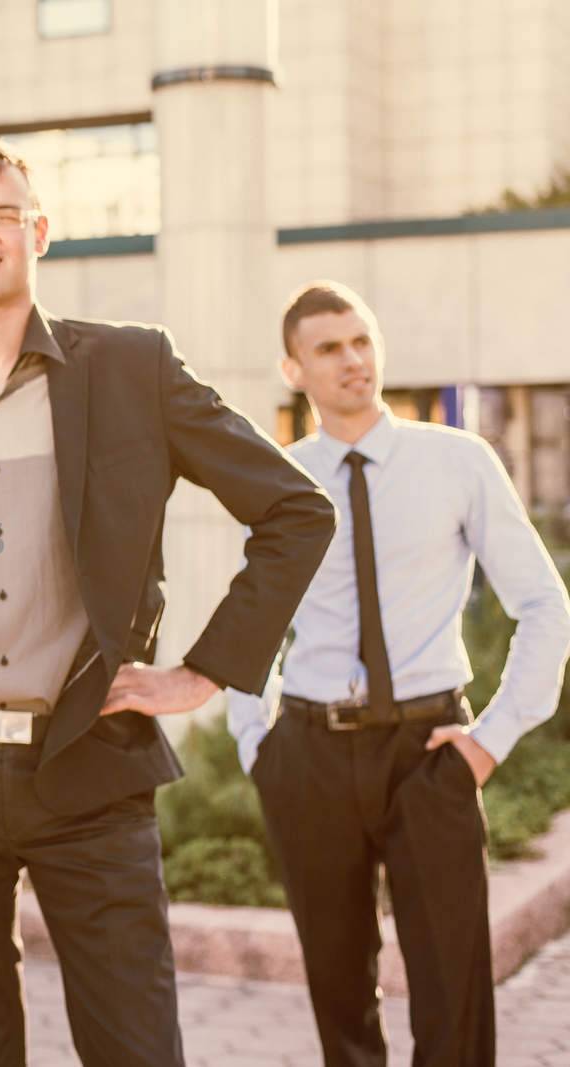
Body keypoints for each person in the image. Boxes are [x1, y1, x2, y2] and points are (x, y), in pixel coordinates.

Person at [0, 132, 338, 1067]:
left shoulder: (133, 369)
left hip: (92, 764)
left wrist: (204, 671)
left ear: (40, 230)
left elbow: (295, 509)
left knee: (137, 1047)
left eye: (2, 214)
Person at [227, 281, 570, 1067]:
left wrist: (491, 739)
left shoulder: (457, 461)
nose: (353, 360)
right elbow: (247, 625)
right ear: (294, 368)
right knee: (339, 996)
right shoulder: (277, 479)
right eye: (328, 348)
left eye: (361, 340)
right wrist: (260, 747)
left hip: (430, 752)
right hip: (309, 754)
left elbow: (545, 606)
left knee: (454, 998)